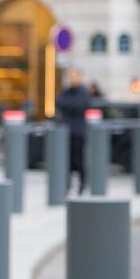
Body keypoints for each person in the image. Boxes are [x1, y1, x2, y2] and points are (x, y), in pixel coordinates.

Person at [56, 65, 92, 194]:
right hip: (66, 132)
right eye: (70, 76)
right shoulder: (66, 91)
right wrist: (69, 105)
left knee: (79, 160)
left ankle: (82, 185)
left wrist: (68, 105)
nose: (71, 78)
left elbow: (79, 106)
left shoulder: (83, 92)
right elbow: (59, 102)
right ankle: (67, 185)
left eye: (74, 75)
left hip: (78, 132)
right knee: (67, 161)